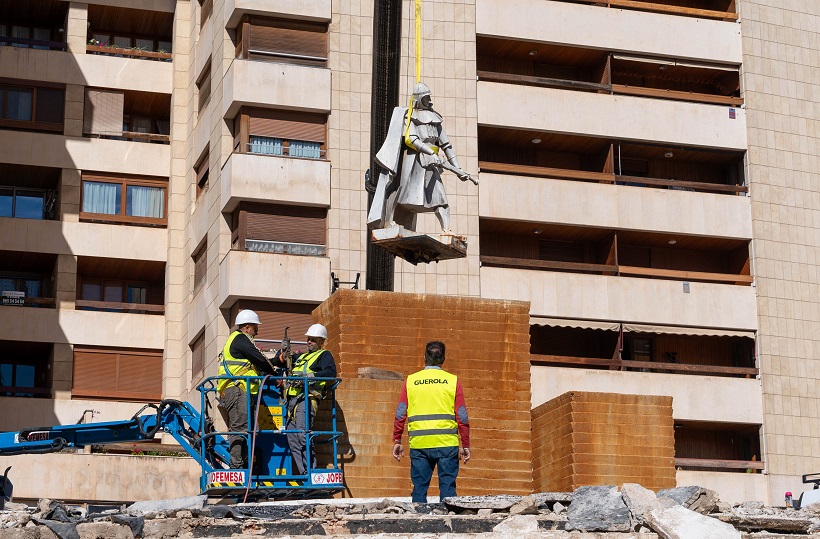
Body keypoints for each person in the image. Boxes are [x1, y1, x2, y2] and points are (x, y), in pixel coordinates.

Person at [367, 82, 477, 233]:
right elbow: (411, 139)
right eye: (425, 98)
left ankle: (446, 229)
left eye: (429, 97)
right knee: (400, 189)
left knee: (440, 196)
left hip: (433, 163)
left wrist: (458, 169)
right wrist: (430, 152)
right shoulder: (410, 116)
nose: (429, 101)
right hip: (414, 161)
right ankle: (389, 220)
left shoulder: (436, 119)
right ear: (418, 99)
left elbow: (447, 145)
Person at [392, 341, 471, 503]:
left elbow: (400, 412)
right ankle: (449, 524)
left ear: (424, 358)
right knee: (448, 489)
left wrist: (397, 439)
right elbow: (462, 415)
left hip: (420, 444)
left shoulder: (412, 381)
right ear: (443, 358)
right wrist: (465, 444)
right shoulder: (452, 381)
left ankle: (418, 523)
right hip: (447, 444)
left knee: (419, 488)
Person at [273, 323, 337, 478]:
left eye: (313, 339)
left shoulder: (324, 355)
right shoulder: (300, 357)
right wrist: (282, 352)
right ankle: (304, 473)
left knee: (302, 434)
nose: (309, 341)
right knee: (292, 438)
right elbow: (277, 362)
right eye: (308, 339)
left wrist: (311, 377)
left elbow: (331, 372)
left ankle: (311, 472)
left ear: (321, 341)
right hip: (291, 401)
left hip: (306, 399)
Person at [217, 309, 275, 469]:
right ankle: (237, 466)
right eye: (255, 327)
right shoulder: (241, 339)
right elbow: (261, 360)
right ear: (248, 327)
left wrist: (277, 361)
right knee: (240, 428)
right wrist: (276, 374)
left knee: (248, 429)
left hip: (237, 389)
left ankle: (243, 463)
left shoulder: (236, 340)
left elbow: (255, 364)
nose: (257, 330)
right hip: (235, 389)